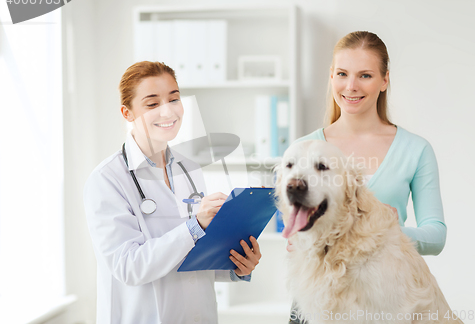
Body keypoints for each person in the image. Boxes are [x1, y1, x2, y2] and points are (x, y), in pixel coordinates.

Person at [83, 61, 261, 324]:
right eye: (152, 104)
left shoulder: (189, 168)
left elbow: (192, 258)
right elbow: (129, 267)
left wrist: (236, 266)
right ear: (127, 113)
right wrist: (194, 226)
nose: (168, 111)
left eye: (174, 99)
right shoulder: (107, 179)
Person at [287, 31, 446, 324]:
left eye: (365, 75)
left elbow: (436, 236)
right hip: (317, 301)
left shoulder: (415, 149)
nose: (350, 86)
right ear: (331, 76)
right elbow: (291, 223)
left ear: (385, 80)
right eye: (342, 73)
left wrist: (381, 230)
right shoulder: (303, 150)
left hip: (383, 298)